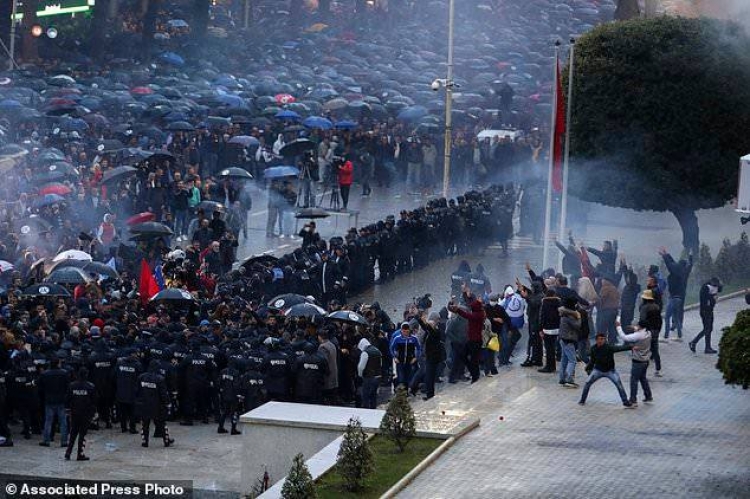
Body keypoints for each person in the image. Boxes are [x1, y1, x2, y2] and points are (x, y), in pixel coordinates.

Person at [578, 333, 633, 408]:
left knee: (619, 384)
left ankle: (625, 402)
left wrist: (630, 347)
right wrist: (588, 368)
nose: (601, 341)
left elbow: (620, 348)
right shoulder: (593, 348)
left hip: (610, 371)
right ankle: (582, 400)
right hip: (598, 370)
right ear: (596, 340)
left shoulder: (609, 347)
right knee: (587, 383)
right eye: (599, 339)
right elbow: (592, 361)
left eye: (603, 339)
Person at [135, 360, 174, 447]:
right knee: (162, 424)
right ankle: (166, 441)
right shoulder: (160, 379)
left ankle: (145, 441)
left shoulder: (141, 377)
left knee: (144, 424)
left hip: (144, 404)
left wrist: (138, 402)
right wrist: (168, 403)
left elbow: (137, 391)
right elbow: (163, 394)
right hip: (157, 405)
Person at [617, 320, 653, 407]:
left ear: (640, 326)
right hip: (646, 360)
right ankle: (648, 396)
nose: (636, 326)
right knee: (643, 378)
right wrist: (633, 327)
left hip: (638, 361)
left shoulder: (638, 335)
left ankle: (633, 400)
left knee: (634, 381)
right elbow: (639, 330)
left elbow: (624, 337)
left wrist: (618, 327)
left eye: (637, 325)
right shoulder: (648, 333)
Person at [660, 248, 693, 341]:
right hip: (682, 293)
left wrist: (665, 255)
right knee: (679, 310)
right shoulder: (685, 272)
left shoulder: (676, 272)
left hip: (674, 295)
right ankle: (678, 327)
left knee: (667, 316)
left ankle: (667, 334)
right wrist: (690, 257)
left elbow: (671, 265)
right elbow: (687, 265)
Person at [65, 367, 97, 461]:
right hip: (85, 414)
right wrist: (93, 412)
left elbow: (67, 399)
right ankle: (80, 454)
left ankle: (68, 452)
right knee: (82, 435)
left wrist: (68, 410)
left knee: (73, 433)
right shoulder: (90, 386)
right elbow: (94, 401)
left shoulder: (72, 385)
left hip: (75, 412)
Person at [38, 358, 69, 448]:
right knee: (63, 422)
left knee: (48, 421)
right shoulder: (64, 373)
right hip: (61, 400)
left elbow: (40, 387)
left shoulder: (45, 374)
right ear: (58, 364)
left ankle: (46, 440)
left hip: (49, 400)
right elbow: (68, 386)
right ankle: (64, 441)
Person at [689, 277, 722, 354]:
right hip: (705, 311)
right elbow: (704, 300)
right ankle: (694, 342)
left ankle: (707, 347)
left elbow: (720, 289)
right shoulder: (706, 287)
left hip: (710, 310)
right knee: (707, 329)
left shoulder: (715, 287)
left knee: (709, 329)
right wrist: (712, 297)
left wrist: (719, 286)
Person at [558, 297, 582, 388]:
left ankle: (562, 378)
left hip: (563, 339)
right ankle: (569, 380)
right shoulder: (569, 315)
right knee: (572, 361)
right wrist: (579, 317)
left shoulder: (564, 313)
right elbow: (577, 325)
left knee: (564, 360)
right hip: (568, 340)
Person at [639, 290, 663, 377]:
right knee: (655, 351)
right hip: (655, 331)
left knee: (644, 351)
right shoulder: (656, 307)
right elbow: (660, 320)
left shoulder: (644, 308)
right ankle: (658, 369)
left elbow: (642, 321)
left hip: (647, 332)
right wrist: (657, 330)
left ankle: (642, 371)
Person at [390, 322, 421, 389]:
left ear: (409, 330)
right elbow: (391, 348)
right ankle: (400, 392)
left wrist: (416, 358)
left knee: (409, 379)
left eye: (407, 331)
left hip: (410, 361)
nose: (405, 333)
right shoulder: (397, 339)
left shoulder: (414, 339)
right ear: (401, 330)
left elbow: (419, 349)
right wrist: (394, 357)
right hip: (400, 361)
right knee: (401, 379)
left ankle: (407, 393)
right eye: (404, 331)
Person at [357, 337, 383, 409]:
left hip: (368, 377)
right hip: (377, 376)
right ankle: (373, 409)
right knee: (373, 395)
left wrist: (360, 375)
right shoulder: (377, 350)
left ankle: (366, 411)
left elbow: (361, 366)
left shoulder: (365, 352)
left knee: (366, 395)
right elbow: (380, 364)